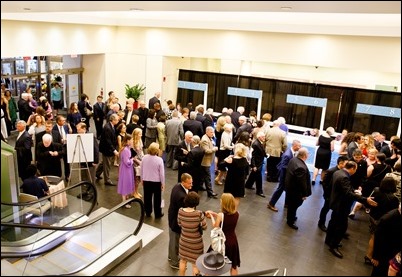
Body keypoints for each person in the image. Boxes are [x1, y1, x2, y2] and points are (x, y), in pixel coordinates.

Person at [325, 161, 378, 259]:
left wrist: (352, 190)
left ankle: (328, 240)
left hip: (335, 202)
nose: (356, 171)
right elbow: (348, 194)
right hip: (341, 205)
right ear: (352, 168)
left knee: (333, 222)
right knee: (341, 226)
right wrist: (365, 199)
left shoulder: (338, 172)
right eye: (356, 169)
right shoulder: (345, 177)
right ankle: (334, 246)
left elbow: (343, 189)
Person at [206, 193, 240, 275]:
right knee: (233, 266)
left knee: (213, 265)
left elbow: (216, 227)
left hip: (222, 242)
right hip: (233, 242)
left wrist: (212, 217)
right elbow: (228, 219)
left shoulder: (221, 215)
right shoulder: (237, 213)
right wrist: (216, 216)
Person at [177, 191, 207, 276]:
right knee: (195, 264)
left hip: (183, 241)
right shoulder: (199, 214)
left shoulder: (180, 211)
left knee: (182, 261)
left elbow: (179, 224)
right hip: (196, 244)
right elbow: (204, 227)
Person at [268, 139, 302, 212]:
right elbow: (283, 166)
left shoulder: (291, 153)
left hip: (286, 175)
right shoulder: (288, 154)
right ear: (295, 146)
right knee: (280, 189)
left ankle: (287, 204)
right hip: (284, 176)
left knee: (287, 189)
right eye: (299, 146)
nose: (300, 147)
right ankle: (271, 203)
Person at [168, 173, 193, 270]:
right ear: (183, 182)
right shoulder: (181, 196)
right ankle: (174, 262)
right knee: (175, 241)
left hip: (172, 217)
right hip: (176, 221)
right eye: (189, 183)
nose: (191, 185)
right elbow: (186, 210)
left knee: (172, 239)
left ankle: (171, 256)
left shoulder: (177, 186)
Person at [317, 155, 349, 232]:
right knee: (325, 209)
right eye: (346, 163)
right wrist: (327, 195)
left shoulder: (343, 171)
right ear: (341, 163)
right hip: (329, 195)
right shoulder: (331, 171)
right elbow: (325, 184)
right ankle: (321, 223)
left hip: (336, 195)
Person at [284, 147, 312, 230]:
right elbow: (302, 183)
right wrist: (304, 194)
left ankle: (291, 217)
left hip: (290, 188)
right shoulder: (301, 167)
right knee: (294, 206)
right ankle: (290, 221)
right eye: (308, 154)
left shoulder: (293, 160)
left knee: (292, 206)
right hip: (295, 191)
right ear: (304, 155)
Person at [371, 204, 402, 276]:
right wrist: (375, 256)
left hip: (392, 251)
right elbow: (377, 237)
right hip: (383, 254)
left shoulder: (398, 216)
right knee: (379, 272)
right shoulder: (389, 218)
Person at [221, 143, 249, 208]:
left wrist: (226, 159)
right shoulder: (245, 160)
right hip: (240, 181)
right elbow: (247, 171)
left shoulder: (231, 160)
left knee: (228, 197)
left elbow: (221, 165)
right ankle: (234, 211)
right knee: (237, 197)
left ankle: (227, 210)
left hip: (231, 181)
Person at [141, 142, 165, 218]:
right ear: (156, 151)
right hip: (156, 182)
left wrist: (142, 179)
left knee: (147, 197)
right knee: (157, 198)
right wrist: (163, 183)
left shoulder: (144, 157)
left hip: (146, 180)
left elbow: (142, 169)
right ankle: (158, 213)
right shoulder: (159, 160)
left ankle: (147, 212)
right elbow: (162, 174)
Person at [96, 113, 120, 186]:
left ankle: (97, 173)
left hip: (107, 148)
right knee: (107, 165)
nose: (118, 121)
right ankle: (107, 180)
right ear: (113, 120)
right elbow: (108, 141)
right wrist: (114, 150)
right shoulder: (108, 128)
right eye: (117, 120)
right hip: (106, 149)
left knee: (104, 162)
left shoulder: (111, 126)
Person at [245, 131, 267, 197]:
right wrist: (253, 165)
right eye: (263, 137)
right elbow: (252, 156)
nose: (264, 138)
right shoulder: (256, 144)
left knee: (253, 174)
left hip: (259, 162)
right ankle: (259, 191)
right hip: (257, 164)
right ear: (259, 137)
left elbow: (261, 152)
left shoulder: (259, 143)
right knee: (259, 177)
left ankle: (248, 184)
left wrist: (265, 155)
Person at [117, 134, 135, 209]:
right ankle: (124, 201)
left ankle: (126, 199)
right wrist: (132, 160)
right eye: (131, 140)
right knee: (125, 183)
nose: (132, 141)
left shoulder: (126, 148)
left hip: (125, 168)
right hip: (126, 169)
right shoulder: (126, 150)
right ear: (128, 141)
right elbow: (127, 162)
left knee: (126, 182)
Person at [200, 126, 219, 198]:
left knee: (202, 175)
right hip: (205, 161)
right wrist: (214, 149)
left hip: (208, 160)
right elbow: (207, 151)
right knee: (208, 177)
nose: (213, 133)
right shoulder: (205, 140)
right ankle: (210, 192)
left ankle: (200, 186)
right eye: (211, 132)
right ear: (207, 132)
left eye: (213, 132)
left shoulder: (208, 138)